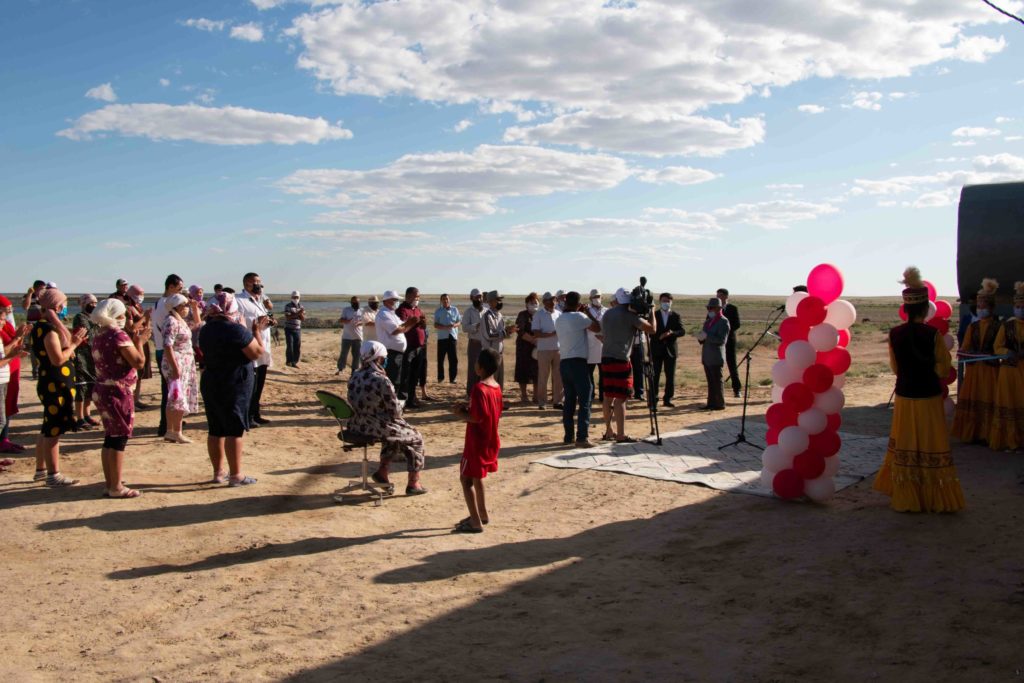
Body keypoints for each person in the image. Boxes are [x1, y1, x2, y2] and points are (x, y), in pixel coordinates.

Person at [873, 268, 965, 513]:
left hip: (904, 396)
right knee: (930, 441)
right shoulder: (932, 334)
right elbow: (943, 368)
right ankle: (933, 496)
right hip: (928, 396)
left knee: (906, 441)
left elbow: (895, 367)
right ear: (925, 308)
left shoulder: (895, 334)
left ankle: (907, 495)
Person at [199, 291, 268, 486]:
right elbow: (256, 353)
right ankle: (236, 475)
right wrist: (256, 332)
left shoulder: (207, 328)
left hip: (212, 380)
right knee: (235, 429)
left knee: (215, 428)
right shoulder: (235, 330)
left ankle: (218, 473)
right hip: (233, 382)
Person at [348, 340, 428, 495]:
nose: (385, 361)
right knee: (416, 437)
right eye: (384, 358)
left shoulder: (355, 376)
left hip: (356, 424)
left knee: (396, 434)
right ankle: (414, 482)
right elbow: (395, 411)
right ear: (378, 359)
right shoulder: (381, 380)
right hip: (374, 426)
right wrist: (401, 404)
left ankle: (382, 472)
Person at [90, 298, 151, 498]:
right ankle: (116, 486)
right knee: (119, 439)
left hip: (102, 389)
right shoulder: (117, 335)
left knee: (110, 437)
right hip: (117, 391)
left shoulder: (100, 334)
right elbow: (138, 361)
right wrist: (140, 342)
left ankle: (110, 483)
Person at [32, 288, 88, 487]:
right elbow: (57, 359)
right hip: (54, 383)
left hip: (52, 382)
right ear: (57, 307)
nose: (65, 308)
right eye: (63, 304)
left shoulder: (40, 326)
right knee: (53, 430)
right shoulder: (48, 330)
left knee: (47, 426)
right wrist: (73, 344)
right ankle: (53, 474)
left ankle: (40, 469)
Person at [450, 347, 503, 533]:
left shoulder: (479, 388)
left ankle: (475, 521)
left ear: (480, 367)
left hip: (476, 441)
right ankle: (482, 513)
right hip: (490, 439)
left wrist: (460, 413)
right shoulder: (496, 387)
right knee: (477, 477)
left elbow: (476, 417)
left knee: (466, 480)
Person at [599, 287, 654, 442]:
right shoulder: (631, 316)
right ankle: (621, 434)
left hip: (606, 357)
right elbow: (652, 329)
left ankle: (609, 431)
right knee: (621, 398)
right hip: (621, 359)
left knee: (608, 395)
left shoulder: (608, 314)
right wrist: (652, 311)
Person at [951, 278, 1000, 444]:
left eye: (984, 306)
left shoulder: (999, 326)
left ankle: (988, 434)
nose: (981, 309)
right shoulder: (973, 326)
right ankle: (971, 433)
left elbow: (1000, 348)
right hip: (973, 370)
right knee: (972, 399)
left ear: (991, 307)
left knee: (989, 398)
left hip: (990, 370)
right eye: (978, 306)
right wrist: (966, 353)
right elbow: (965, 346)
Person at [555, 291, 602, 447]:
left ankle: (568, 436)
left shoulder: (560, 318)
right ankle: (582, 437)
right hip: (578, 363)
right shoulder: (580, 317)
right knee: (585, 400)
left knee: (569, 401)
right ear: (578, 303)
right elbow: (597, 327)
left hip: (564, 362)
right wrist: (588, 312)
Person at [989, 282, 1024, 451]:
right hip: (1009, 373)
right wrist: (1007, 352)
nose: (1020, 309)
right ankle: (1010, 441)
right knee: (1010, 405)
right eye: (1018, 306)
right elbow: (997, 347)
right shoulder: (1007, 325)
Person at [236, 272, 274, 426]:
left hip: (263, 347)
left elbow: (263, 317)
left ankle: (255, 413)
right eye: (255, 282)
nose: (258, 284)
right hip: (250, 347)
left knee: (259, 384)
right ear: (247, 284)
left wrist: (269, 321)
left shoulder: (260, 300)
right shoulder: (239, 300)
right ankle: (247, 416)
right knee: (250, 385)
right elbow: (238, 323)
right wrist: (255, 324)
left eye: (259, 281)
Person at [161, 294, 200, 444]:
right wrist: (174, 366)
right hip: (177, 362)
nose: (186, 309)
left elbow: (197, 323)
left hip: (184, 361)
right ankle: (176, 431)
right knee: (177, 397)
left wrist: (195, 308)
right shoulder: (171, 321)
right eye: (184, 306)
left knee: (175, 396)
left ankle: (171, 430)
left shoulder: (179, 320)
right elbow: (167, 345)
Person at [152, 274, 185, 437]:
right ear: (170, 287)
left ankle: (170, 423)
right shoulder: (167, 304)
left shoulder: (159, 302)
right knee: (170, 390)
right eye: (179, 289)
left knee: (171, 390)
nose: (181, 292)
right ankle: (166, 426)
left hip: (162, 349)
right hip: (167, 352)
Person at [0, 296, 29, 453]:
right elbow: (6, 350)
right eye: (6, 311)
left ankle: (5, 438)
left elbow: (14, 345)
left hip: (10, 370)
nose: (9, 314)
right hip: (5, 369)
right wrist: (17, 338)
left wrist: (20, 334)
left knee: (7, 404)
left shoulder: (6, 327)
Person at [375, 290, 421, 389]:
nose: (397, 302)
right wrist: (411, 323)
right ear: (387, 301)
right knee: (392, 380)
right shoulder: (384, 314)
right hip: (390, 353)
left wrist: (411, 323)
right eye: (395, 300)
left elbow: (402, 327)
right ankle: (390, 402)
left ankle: (394, 400)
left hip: (396, 353)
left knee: (397, 379)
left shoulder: (392, 314)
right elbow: (396, 330)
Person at [650, 293, 686, 408]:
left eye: (668, 301)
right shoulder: (654, 315)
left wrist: (672, 333)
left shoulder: (676, 315)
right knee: (654, 375)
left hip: (670, 350)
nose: (666, 303)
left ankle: (668, 399)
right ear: (660, 302)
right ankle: (653, 399)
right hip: (656, 349)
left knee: (670, 376)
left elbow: (682, 331)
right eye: (664, 301)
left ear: (671, 302)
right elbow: (649, 330)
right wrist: (658, 337)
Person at [70, 293, 100, 432]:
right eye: (91, 303)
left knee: (90, 387)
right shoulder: (80, 317)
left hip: (93, 357)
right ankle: (79, 417)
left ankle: (87, 414)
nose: (94, 305)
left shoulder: (94, 318)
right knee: (81, 388)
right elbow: (84, 333)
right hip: (82, 356)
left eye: (95, 303)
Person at [396, 287, 428, 408]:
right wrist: (414, 322)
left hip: (419, 346)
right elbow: (402, 325)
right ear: (408, 296)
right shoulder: (402, 310)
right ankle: (403, 400)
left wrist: (423, 324)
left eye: (419, 297)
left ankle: (411, 398)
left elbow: (422, 325)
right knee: (405, 374)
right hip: (408, 347)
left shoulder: (418, 309)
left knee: (415, 374)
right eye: (416, 297)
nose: (417, 299)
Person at [697, 297, 730, 411]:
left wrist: (707, 337)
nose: (709, 310)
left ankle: (720, 403)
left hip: (716, 356)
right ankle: (710, 403)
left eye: (712, 308)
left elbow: (721, 340)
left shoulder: (723, 321)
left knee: (717, 381)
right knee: (710, 382)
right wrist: (700, 338)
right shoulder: (708, 322)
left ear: (718, 308)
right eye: (709, 308)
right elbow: (704, 337)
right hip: (707, 356)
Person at [481, 290, 514, 398]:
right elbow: (488, 335)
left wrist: (509, 331)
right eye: (498, 299)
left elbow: (501, 334)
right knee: (490, 380)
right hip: (490, 354)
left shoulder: (499, 315)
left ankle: (498, 401)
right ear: (491, 302)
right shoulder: (486, 316)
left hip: (499, 353)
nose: (500, 302)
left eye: (500, 299)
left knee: (499, 379)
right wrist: (504, 332)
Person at [125, 284, 152, 409]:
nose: (141, 297)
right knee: (133, 370)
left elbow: (146, 323)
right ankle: (131, 400)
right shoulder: (128, 309)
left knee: (140, 373)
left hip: (142, 341)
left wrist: (147, 319)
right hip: (134, 341)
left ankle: (136, 399)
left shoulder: (138, 307)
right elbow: (131, 327)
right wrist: (143, 317)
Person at [533, 292, 563, 409]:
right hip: (544, 350)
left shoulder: (559, 314)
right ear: (544, 301)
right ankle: (542, 402)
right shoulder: (538, 315)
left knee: (559, 376)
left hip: (558, 349)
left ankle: (558, 401)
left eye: (554, 300)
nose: (553, 302)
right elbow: (536, 332)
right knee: (543, 376)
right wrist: (551, 334)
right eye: (550, 300)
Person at [514, 293, 539, 404]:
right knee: (522, 370)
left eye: (535, 302)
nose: (534, 304)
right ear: (526, 304)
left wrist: (538, 340)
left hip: (537, 348)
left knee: (537, 372)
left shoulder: (540, 315)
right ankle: (524, 396)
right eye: (531, 303)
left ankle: (536, 395)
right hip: (523, 347)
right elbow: (520, 331)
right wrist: (532, 339)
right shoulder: (522, 315)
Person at [718, 288, 742, 398]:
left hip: (729, 341)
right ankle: (717, 389)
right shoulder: (714, 308)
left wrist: (725, 329)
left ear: (726, 296)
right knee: (717, 365)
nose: (719, 298)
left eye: (721, 295)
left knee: (732, 365)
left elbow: (737, 324)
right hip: (717, 342)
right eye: (717, 295)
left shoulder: (733, 309)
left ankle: (737, 389)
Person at [434, 293, 461, 384]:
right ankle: (440, 377)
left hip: (452, 336)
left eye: (447, 299)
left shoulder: (455, 309)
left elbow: (459, 321)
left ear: (449, 300)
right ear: (441, 301)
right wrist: (444, 327)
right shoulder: (438, 311)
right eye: (443, 299)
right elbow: (435, 324)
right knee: (441, 358)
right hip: (442, 337)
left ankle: (453, 378)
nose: (445, 301)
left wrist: (454, 325)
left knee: (453, 359)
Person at [22, 280, 46, 380]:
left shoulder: (45, 297)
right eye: (41, 289)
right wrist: (29, 294)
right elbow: (25, 307)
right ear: (35, 288)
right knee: (33, 348)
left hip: (43, 324)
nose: (43, 290)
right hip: (32, 325)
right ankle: (35, 372)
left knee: (44, 347)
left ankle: (42, 370)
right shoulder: (28, 296)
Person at [463, 288, 485, 395]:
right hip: (474, 344)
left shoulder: (486, 311)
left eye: (480, 296)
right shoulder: (468, 311)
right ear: (471, 298)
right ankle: (471, 393)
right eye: (477, 297)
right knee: (473, 370)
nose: (479, 299)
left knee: (484, 369)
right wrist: (475, 326)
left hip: (485, 344)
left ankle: (482, 392)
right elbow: (464, 327)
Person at [586, 289, 606, 403]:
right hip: (590, 345)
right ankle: (591, 394)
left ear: (602, 297)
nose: (596, 298)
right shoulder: (586, 311)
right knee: (589, 374)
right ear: (590, 298)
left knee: (604, 373)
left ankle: (603, 396)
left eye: (598, 296)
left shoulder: (607, 311)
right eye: (594, 297)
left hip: (603, 346)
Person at [338, 295, 364, 375]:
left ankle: (354, 370)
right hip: (347, 336)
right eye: (354, 302)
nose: (356, 303)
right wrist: (347, 321)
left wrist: (360, 323)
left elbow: (364, 321)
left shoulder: (362, 310)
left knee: (357, 355)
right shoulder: (346, 310)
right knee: (344, 353)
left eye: (357, 302)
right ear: (351, 303)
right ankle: (341, 369)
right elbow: (340, 320)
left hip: (358, 336)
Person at [283, 290, 305, 367]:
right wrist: (298, 314)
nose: (295, 298)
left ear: (299, 297)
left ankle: (295, 362)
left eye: (297, 297)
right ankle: (289, 361)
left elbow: (302, 318)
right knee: (290, 345)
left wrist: (299, 314)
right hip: (289, 329)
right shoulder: (288, 306)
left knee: (297, 346)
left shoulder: (301, 306)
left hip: (298, 329)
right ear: (291, 297)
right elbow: (288, 317)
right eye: (294, 297)